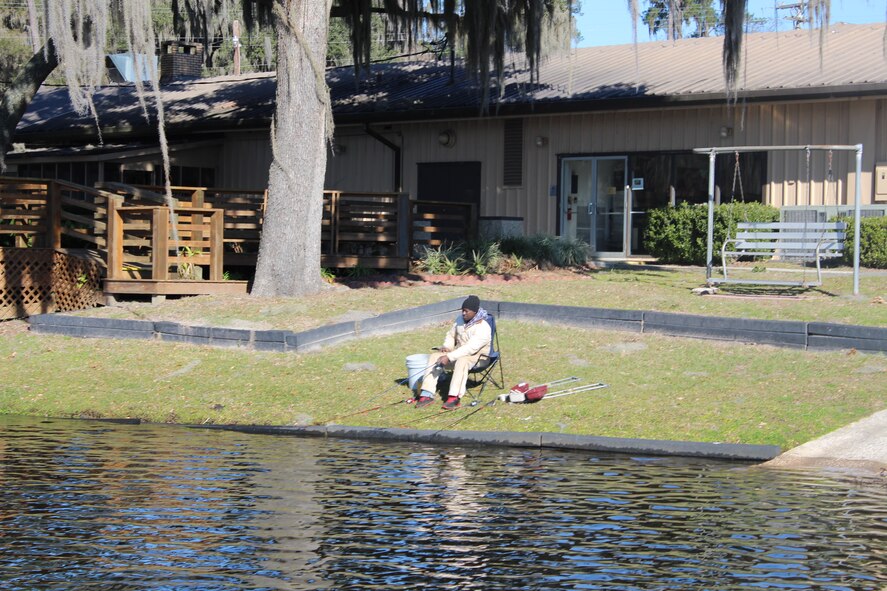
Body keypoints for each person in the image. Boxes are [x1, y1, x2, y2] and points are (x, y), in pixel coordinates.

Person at [416, 295, 492, 411]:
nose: (463, 313)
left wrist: (449, 356)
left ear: (475, 312)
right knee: (434, 357)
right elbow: (451, 335)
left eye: (466, 311)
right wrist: (447, 347)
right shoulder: (460, 320)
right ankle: (426, 394)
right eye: (462, 310)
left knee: (462, 361)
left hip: (479, 358)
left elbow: (470, 349)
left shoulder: (483, 328)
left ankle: (453, 398)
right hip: (457, 354)